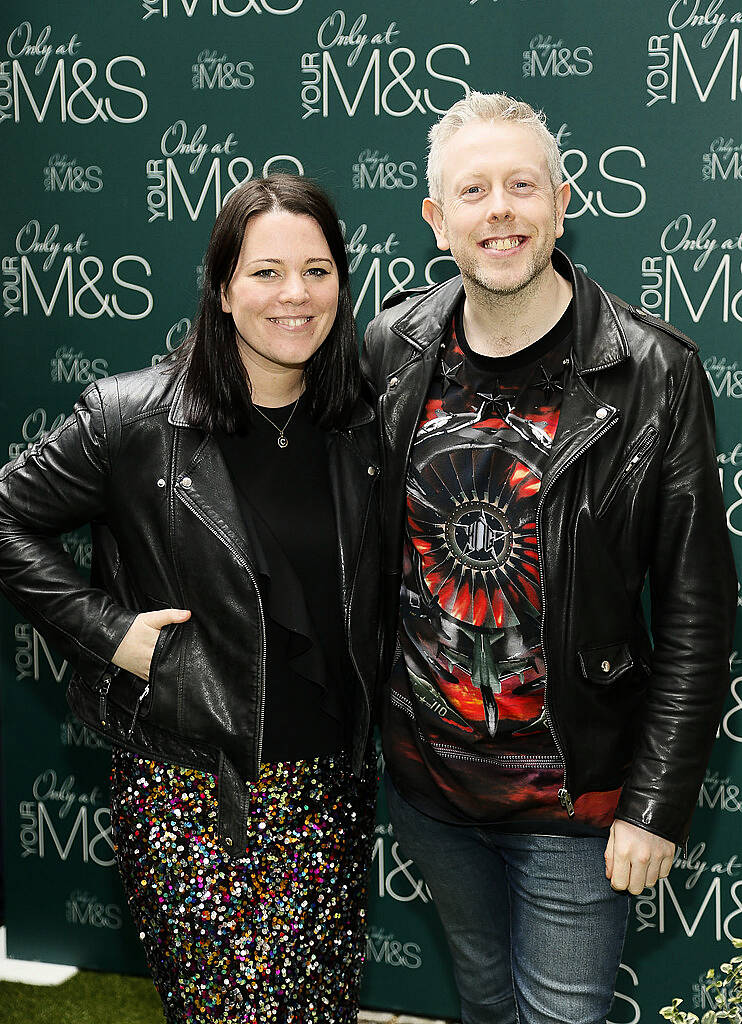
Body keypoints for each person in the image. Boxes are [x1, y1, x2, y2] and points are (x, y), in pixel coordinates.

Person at [362, 92, 737, 1024]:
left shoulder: (654, 371)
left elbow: (696, 609)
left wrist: (653, 805)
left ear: (561, 202)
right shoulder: (389, 348)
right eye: (474, 190)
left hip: (576, 798)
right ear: (435, 219)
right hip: (430, 785)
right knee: (486, 999)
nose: (500, 209)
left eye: (522, 184)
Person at [0, 174, 382, 1023]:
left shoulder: (360, 424)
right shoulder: (132, 417)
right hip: (192, 790)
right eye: (266, 272)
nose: (296, 295)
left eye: (318, 272)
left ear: (342, 287)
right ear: (222, 287)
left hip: (330, 788)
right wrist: (107, 632)